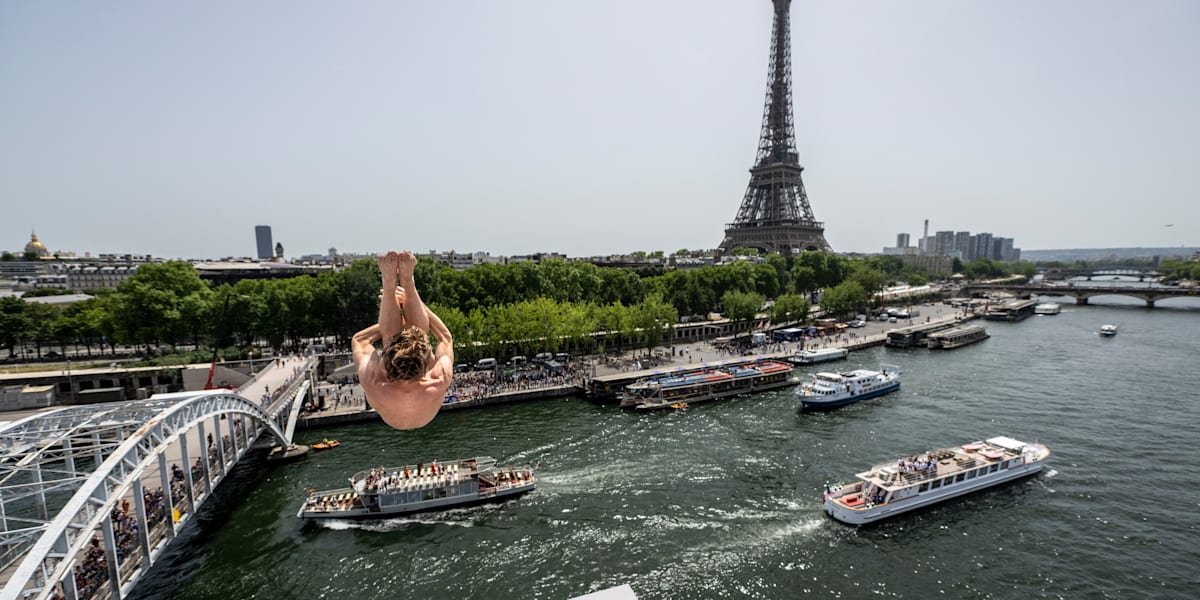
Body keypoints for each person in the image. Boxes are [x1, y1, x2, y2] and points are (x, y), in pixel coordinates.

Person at [353, 251, 454, 429]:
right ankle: (404, 281)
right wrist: (411, 301)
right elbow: (444, 337)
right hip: (424, 403)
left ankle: (398, 283)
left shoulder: (374, 382)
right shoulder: (439, 379)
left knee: (410, 335)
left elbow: (360, 341)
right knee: (411, 336)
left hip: (389, 400)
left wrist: (399, 324)